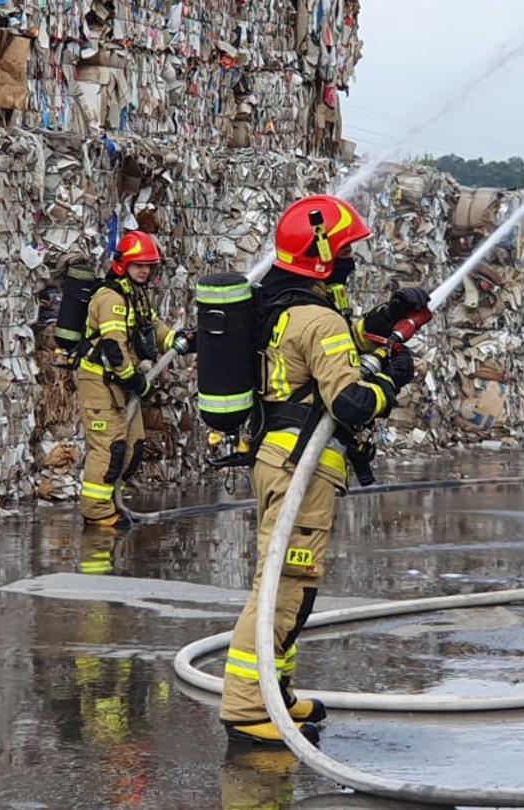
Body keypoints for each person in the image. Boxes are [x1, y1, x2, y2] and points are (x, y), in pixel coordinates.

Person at [218, 195, 431, 745]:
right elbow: (352, 404)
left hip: (277, 458)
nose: (351, 260)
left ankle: (276, 691)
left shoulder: (280, 303)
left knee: (290, 585)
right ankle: (247, 708)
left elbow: (320, 348)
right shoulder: (319, 319)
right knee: (285, 588)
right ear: (322, 256)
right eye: (345, 250)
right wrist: (392, 379)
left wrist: (383, 320)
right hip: (301, 470)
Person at [73, 231, 193, 528]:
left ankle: (112, 501)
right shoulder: (110, 298)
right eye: (138, 265)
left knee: (133, 447)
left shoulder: (135, 294)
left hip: (122, 384)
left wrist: (177, 340)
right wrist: (136, 381)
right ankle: (97, 512)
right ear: (122, 264)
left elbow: (151, 325)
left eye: (148, 266)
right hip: (100, 383)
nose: (144, 271)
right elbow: (113, 347)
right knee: (109, 448)